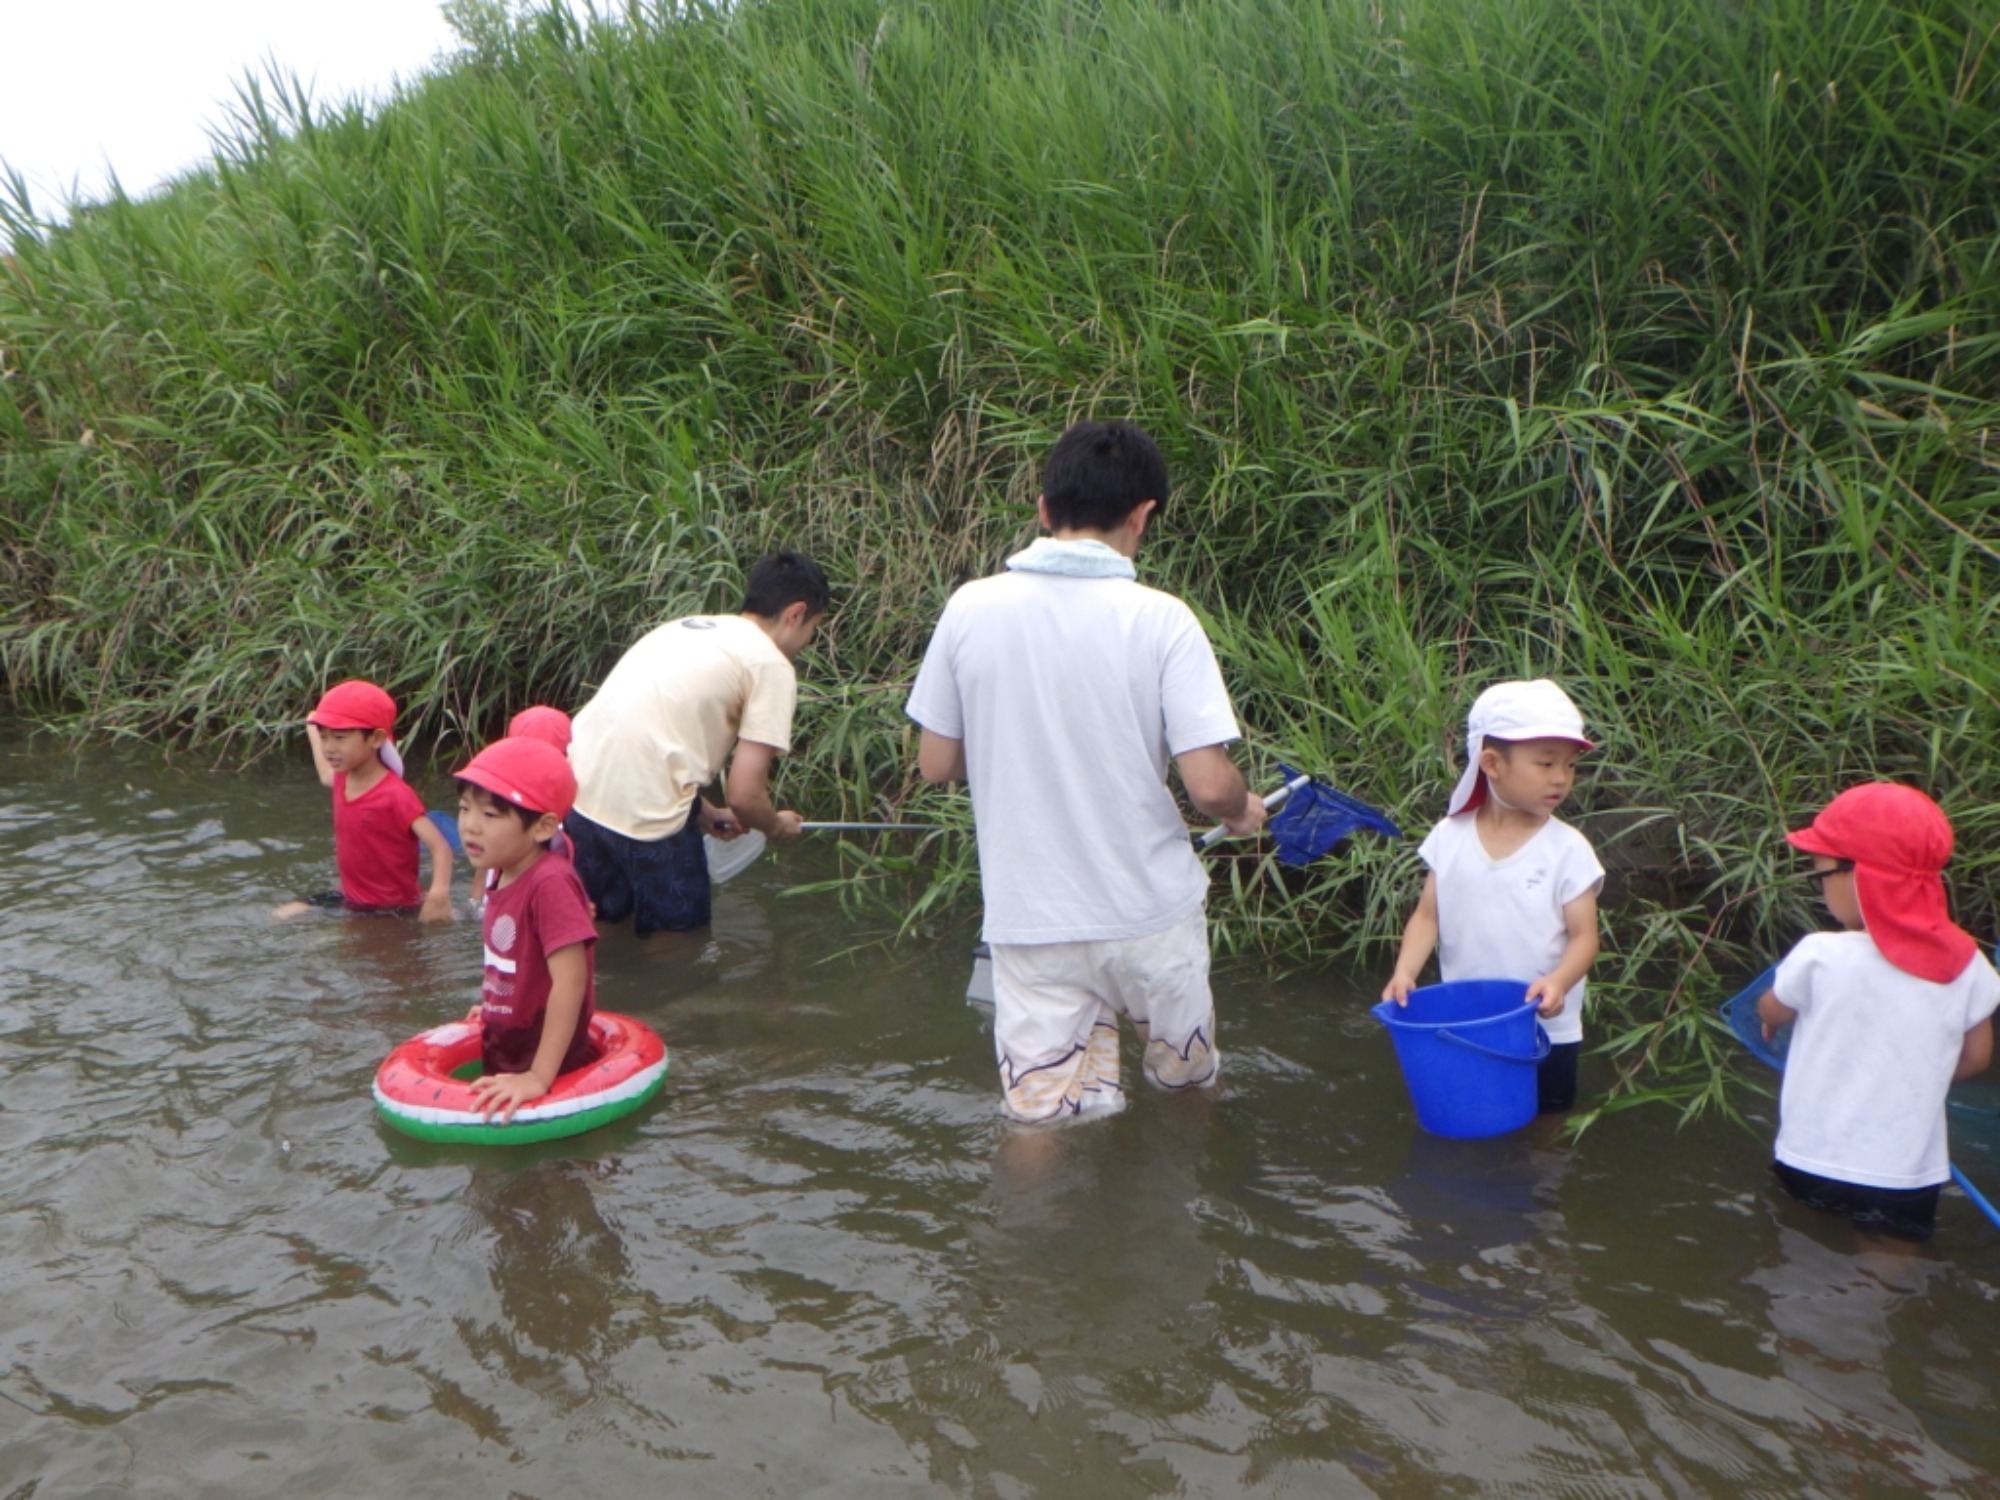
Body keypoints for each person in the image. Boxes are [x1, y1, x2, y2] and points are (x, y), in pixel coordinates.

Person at [906, 419, 1265, 1125]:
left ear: (1043, 510)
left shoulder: (969, 608)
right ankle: (1172, 1221)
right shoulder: (1162, 620)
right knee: (1185, 1092)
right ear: (1144, 515)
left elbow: (935, 763)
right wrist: (1240, 811)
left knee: (1043, 1120)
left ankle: (1036, 1235)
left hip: (1033, 922)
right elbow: (1210, 786)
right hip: (1149, 918)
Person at [1755, 782, 1998, 1242]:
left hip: (1811, 1156)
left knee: (1800, 1250)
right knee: (1891, 1269)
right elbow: (1977, 1056)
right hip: (1906, 1174)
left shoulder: (1821, 953)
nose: (1821, 889)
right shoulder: (1968, 963)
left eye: (1820, 876)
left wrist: (1767, 1014)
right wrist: (1912, 1081)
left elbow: (1774, 1007)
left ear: (1858, 876)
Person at [566, 552, 828, 936]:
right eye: (814, 628)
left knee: (599, 930)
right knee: (682, 945)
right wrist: (775, 827)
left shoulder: (688, 628)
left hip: (578, 796)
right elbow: (744, 795)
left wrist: (702, 811)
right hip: (649, 820)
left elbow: (644, 738)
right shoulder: (769, 664)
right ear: (795, 613)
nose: (807, 640)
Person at [1382, 678, 1603, 1114]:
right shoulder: (1450, 836)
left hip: (1545, 1027)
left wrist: (1558, 983)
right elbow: (1428, 916)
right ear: (1491, 762)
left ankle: (1541, 1182)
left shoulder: (1568, 849)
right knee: (1473, 1115)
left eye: (1570, 766)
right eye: (1545, 763)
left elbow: (1585, 938)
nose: (1561, 778)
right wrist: (1405, 971)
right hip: (1468, 1022)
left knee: (1546, 1127)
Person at [454, 736, 602, 1121]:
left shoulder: (550, 884)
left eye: (490, 815)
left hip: (553, 1059)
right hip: (509, 1040)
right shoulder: (501, 870)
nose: (470, 825)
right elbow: (514, 959)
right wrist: (496, 1002)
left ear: (542, 827)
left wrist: (539, 1075)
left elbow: (571, 981)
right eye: (464, 808)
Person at [272, 678, 454, 921]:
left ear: (376, 739)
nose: (329, 748)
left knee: (343, 951)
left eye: (339, 738)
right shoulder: (342, 777)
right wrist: (312, 731)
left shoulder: (395, 795)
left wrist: (438, 896)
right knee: (278, 916)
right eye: (324, 737)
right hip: (349, 896)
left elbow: (440, 846)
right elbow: (325, 772)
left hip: (390, 908)